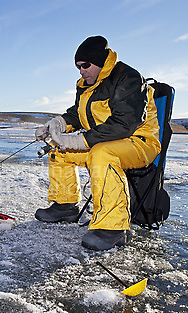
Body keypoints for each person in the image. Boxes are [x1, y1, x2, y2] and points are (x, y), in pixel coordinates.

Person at [35, 36, 161, 251]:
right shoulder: (86, 85)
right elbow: (78, 113)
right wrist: (57, 124)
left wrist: (79, 140)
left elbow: (124, 123)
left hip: (139, 143)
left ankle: (112, 228)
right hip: (105, 141)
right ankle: (65, 205)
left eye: (85, 65)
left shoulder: (127, 78)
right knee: (60, 152)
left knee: (103, 154)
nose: (81, 71)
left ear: (101, 62)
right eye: (78, 67)